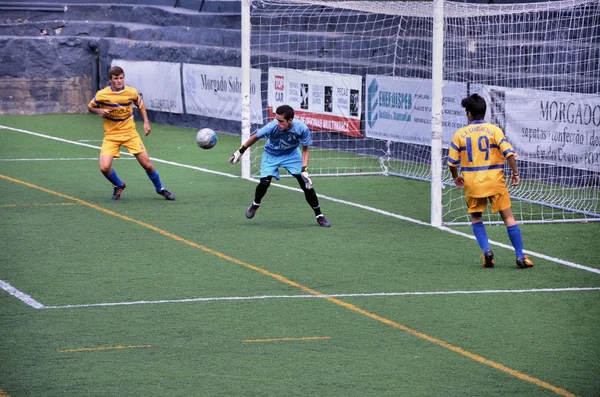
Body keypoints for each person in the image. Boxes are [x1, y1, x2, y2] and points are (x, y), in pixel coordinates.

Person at [447, 94, 533, 268]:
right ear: (484, 113)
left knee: (476, 217)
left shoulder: (460, 134)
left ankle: (487, 251)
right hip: (495, 181)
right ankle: (520, 256)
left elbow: (451, 162)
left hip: (473, 183)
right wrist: (515, 173)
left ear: (469, 114)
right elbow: (509, 154)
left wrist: (456, 177)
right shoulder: (494, 130)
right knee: (508, 217)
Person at [229, 104, 330, 227]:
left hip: (291, 154)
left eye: (281, 121)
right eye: (277, 119)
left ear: (290, 120)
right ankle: (255, 204)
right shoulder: (272, 127)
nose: (278, 123)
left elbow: (305, 150)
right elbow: (255, 137)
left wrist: (305, 170)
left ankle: (319, 215)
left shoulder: (302, 129)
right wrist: (240, 151)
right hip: (271, 154)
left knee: (306, 185)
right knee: (264, 183)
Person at [88, 66, 175, 201]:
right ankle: (119, 184)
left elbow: (140, 104)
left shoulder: (131, 92)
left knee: (147, 165)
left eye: (121, 78)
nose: (119, 81)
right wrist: (100, 111)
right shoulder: (102, 94)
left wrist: (146, 122)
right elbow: (90, 107)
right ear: (110, 80)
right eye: (116, 79)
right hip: (111, 136)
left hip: (130, 134)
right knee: (104, 167)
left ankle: (160, 189)